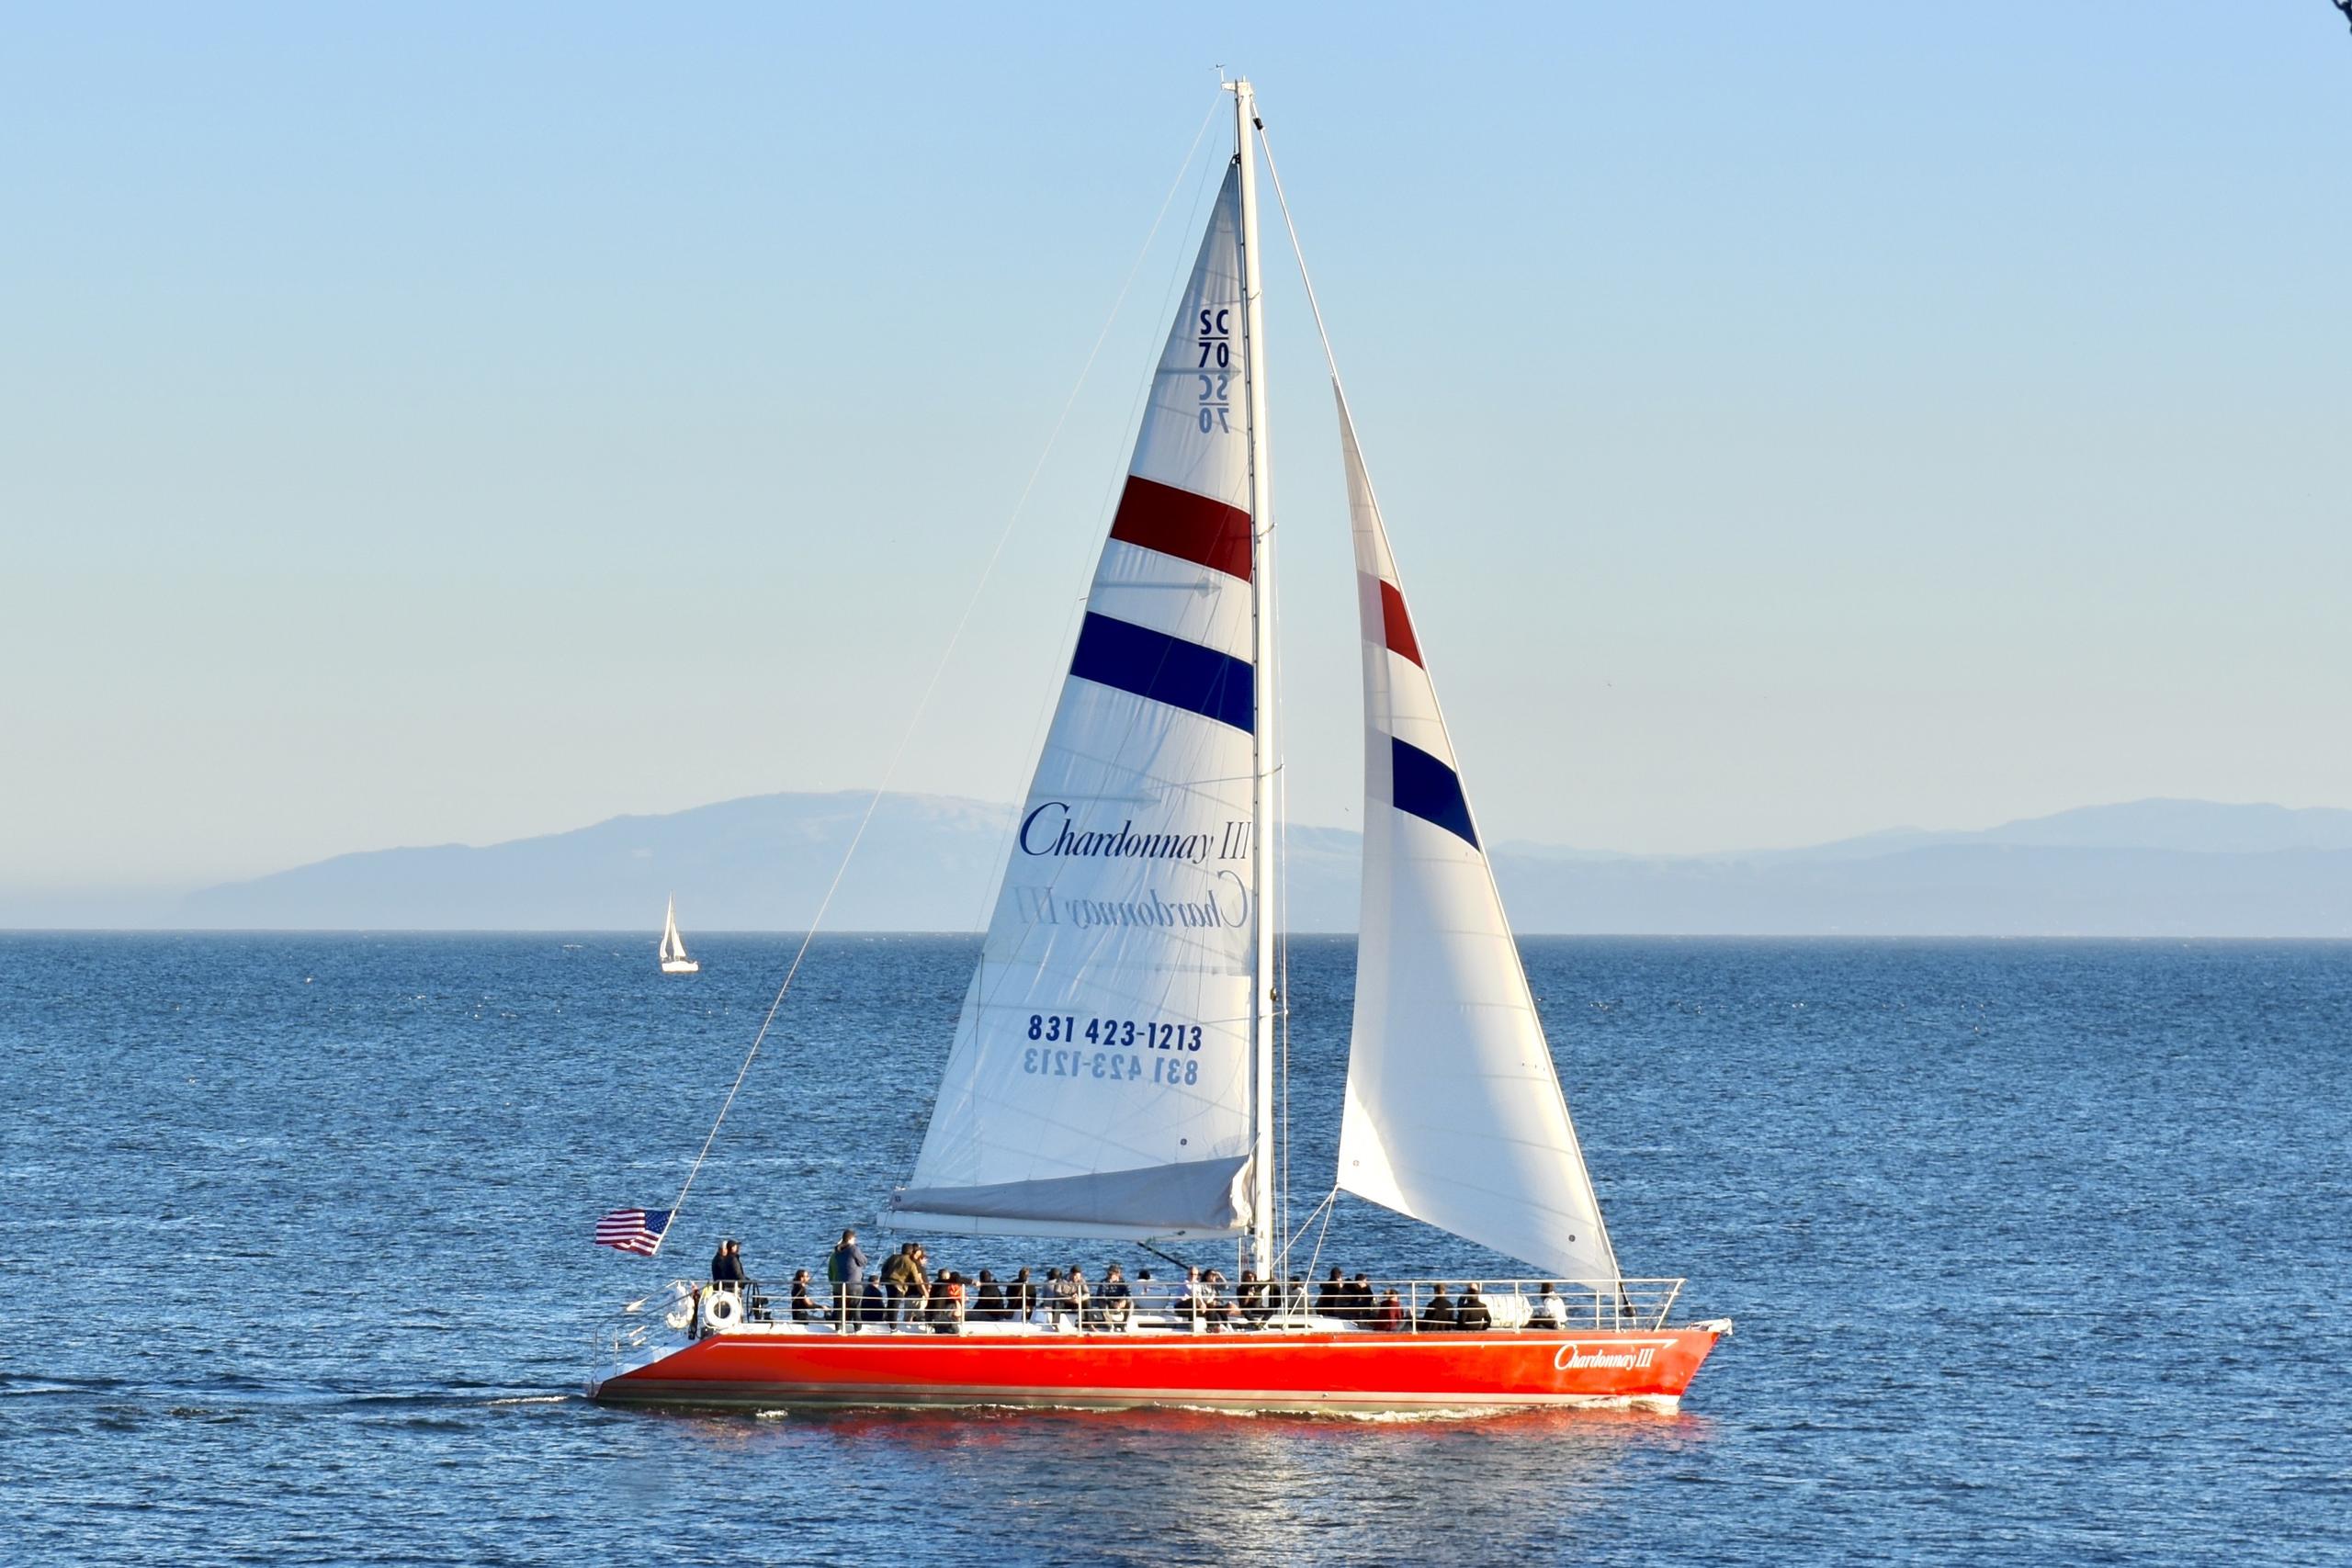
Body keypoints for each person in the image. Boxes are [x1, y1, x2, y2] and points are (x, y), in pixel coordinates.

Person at [826, 1229, 868, 1333]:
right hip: (853, 1284)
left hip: (838, 1285)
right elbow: (864, 1262)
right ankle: (858, 1329)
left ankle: (838, 1328)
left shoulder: (836, 1252)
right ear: (850, 1239)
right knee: (856, 1307)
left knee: (838, 1307)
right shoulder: (853, 1249)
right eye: (854, 1238)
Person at [1100, 1264, 1133, 1331]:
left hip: (1119, 1301)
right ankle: (1110, 1325)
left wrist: (1124, 1301)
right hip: (1108, 1301)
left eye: (1111, 1274)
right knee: (1101, 1302)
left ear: (1117, 1274)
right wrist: (1111, 1302)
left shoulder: (1123, 1282)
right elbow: (1101, 1295)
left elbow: (1129, 1294)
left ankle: (1124, 1325)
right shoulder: (1104, 1282)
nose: (1109, 1276)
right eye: (1108, 1274)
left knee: (1131, 1303)